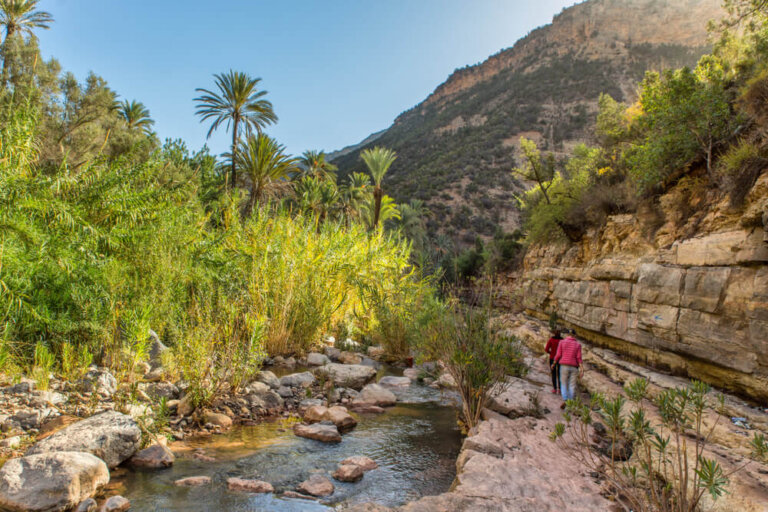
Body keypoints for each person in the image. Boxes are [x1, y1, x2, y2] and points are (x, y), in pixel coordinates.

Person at [552, 329, 583, 409]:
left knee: (563, 383)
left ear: (567, 335)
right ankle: (570, 402)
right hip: (574, 367)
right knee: (572, 385)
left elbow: (558, 355)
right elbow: (579, 358)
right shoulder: (578, 345)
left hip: (564, 366)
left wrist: (554, 363)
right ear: (574, 336)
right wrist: (582, 369)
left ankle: (566, 400)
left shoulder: (562, 342)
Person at [544, 329, 562, 394]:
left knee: (553, 373)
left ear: (554, 333)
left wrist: (551, 353)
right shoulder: (562, 340)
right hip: (560, 359)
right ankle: (559, 389)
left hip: (552, 358)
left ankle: (554, 389)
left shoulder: (551, 340)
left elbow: (546, 349)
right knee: (560, 374)